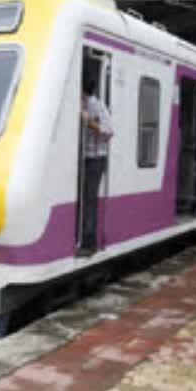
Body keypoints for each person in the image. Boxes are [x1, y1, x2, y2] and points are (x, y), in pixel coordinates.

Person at [79, 75, 113, 256]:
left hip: (96, 158)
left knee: (90, 198)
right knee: (84, 197)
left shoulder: (97, 105)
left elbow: (109, 131)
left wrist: (89, 122)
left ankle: (89, 242)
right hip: (85, 157)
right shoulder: (81, 104)